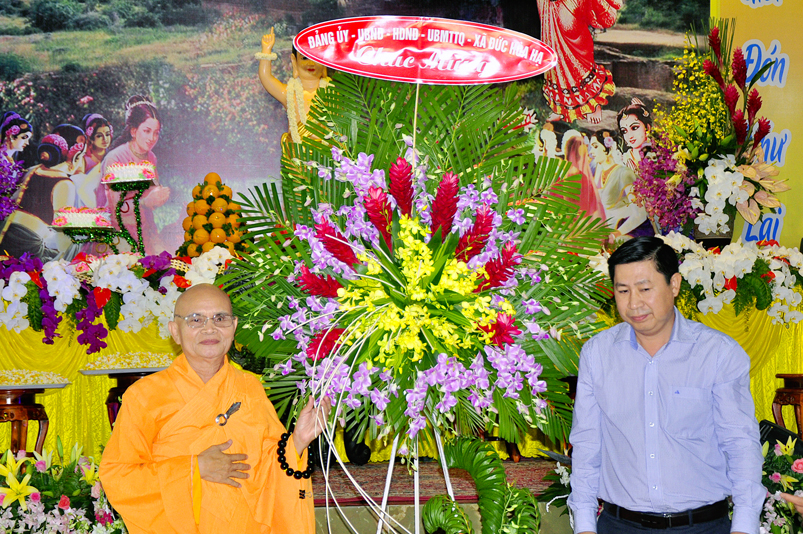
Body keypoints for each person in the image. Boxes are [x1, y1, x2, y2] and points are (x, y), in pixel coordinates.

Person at [567, 236, 765, 534]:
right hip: (619, 525)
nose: (634, 303)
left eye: (645, 289)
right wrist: (584, 526)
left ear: (674, 284)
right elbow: (587, 445)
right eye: (623, 291)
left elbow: (740, 444)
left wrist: (744, 526)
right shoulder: (598, 354)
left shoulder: (717, 353)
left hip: (701, 526)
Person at [99, 283, 330, 534]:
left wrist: (298, 440)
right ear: (175, 331)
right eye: (196, 320)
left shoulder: (250, 388)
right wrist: (193, 468)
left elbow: (269, 470)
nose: (210, 328)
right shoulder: (145, 395)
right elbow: (119, 476)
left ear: (234, 326)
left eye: (220, 318)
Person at [99, 95, 170, 254]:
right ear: (133, 131)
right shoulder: (114, 158)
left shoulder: (151, 157)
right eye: (147, 131)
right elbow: (115, 208)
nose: (152, 138)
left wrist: (159, 195)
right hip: (119, 235)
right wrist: (144, 202)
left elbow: (151, 193)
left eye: (156, 133)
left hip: (146, 230)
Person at [0, 130, 83, 260]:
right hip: (27, 245)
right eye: (81, 157)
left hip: (7, 235)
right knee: (76, 246)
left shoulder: (32, 170)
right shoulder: (64, 183)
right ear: (75, 157)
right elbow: (62, 232)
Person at [536, 0, 620, 124]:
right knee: (552, 44)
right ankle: (560, 109)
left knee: (573, 36)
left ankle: (593, 104)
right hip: (548, 4)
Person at [257, 27, 329, 143]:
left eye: (315, 57)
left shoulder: (332, 94)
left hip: (326, 152)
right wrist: (266, 50)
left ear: (324, 61)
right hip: (297, 151)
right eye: (304, 58)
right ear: (295, 61)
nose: (311, 63)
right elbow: (266, 78)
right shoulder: (290, 94)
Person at [588, 129, 651, 238]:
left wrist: (615, 234)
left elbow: (640, 214)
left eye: (595, 146)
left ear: (608, 148)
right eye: (591, 147)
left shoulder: (624, 173)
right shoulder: (598, 174)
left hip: (631, 233)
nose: (591, 152)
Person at [563, 130, 604, 220]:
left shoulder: (569, 171)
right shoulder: (578, 175)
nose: (586, 147)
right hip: (582, 219)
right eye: (583, 145)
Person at [617, 98, 654, 172]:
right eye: (624, 131)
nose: (630, 136)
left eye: (634, 128)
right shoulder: (623, 159)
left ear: (648, 127)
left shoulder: (658, 153)